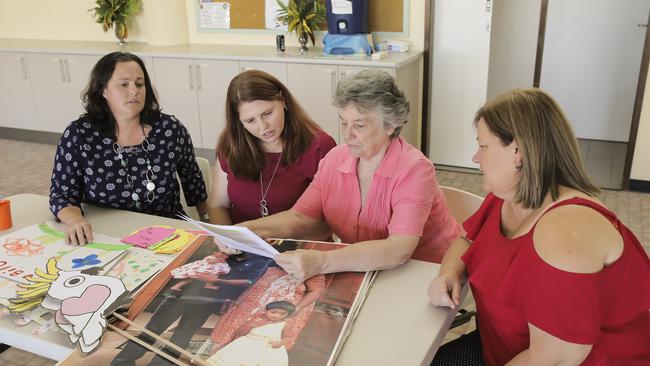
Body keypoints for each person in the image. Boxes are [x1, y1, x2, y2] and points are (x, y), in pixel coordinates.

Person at [428, 88, 650, 365]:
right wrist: (448, 273)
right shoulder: (505, 197)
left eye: (483, 146)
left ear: (518, 152)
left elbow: (555, 359)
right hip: (499, 347)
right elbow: (467, 240)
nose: (476, 158)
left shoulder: (565, 230)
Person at [241, 69, 460, 280]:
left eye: (360, 125)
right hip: (366, 267)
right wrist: (245, 231)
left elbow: (398, 249)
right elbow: (301, 217)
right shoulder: (335, 159)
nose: (347, 134)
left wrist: (323, 261)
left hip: (428, 272)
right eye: (344, 122)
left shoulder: (414, 169)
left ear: (390, 125)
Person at [49, 51, 208, 245]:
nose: (134, 91)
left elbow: (193, 182)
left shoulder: (169, 129)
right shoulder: (79, 135)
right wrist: (75, 220)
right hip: (107, 235)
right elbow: (62, 195)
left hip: (167, 233)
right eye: (124, 84)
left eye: (139, 84)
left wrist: (209, 222)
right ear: (103, 90)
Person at [208, 69, 337, 227]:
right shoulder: (231, 144)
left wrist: (260, 233)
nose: (263, 127)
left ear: (283, 101)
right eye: (250, 121)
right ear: (238, 121)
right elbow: (218, 206)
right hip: (242, 245)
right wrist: (228, 237)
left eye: (267, 113)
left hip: (298, 246)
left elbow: (328, 222)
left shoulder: (320, 146)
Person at [112, 248, 273, 366]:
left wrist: (217, 281)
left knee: (183, 335)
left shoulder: (260, 260)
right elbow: (191, 267)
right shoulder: (219, 247)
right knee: (152, 328)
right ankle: (122, 361)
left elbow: (249, 282)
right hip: (180, 294)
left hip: (207, 301)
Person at [207, 301, 296, 366]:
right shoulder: (257, 320)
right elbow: (240, 332)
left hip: (268, 348)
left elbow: (288, 337)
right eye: (273, 312)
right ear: (266, 311)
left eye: (282, 314)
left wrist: (280, 343)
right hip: (247, 344)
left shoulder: (285, 324)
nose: (277, 315)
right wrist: (252, 325)